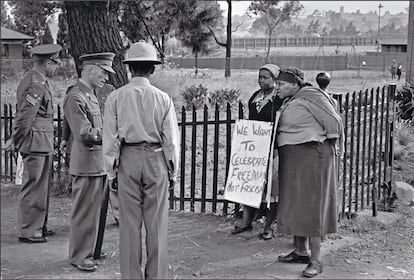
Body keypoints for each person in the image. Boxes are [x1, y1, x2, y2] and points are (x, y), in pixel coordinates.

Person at [102, 41, 180, 279]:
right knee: (156, 223)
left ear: (129, 69)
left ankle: (131, 276)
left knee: (129, 224)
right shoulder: (163, 98)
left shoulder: (115, 98)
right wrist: (172, 171)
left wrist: (111, 172)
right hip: (156, 159)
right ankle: (156, 275)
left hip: (128, 158)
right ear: (152, 69)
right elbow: (171, 140)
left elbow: (110, 139)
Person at [276, 68, 343, 278]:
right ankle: (300, 251)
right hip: (294, 156)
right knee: (297, 203)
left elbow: (334, 123)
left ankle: (316, 260)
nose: (277, 87)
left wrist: (327, 142)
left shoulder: (312, 96)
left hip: (312, 156)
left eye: (281, 84)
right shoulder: (292, 99)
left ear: (294, 84)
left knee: (312, 205)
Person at [63, 52, 115, 272]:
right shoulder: (75, 97)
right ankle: (79, 255)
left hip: (97, 163)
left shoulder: (90, 94)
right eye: (104, 72)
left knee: (96, 213)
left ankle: (91, 249)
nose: (106, 77)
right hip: (86, 164)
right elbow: (84, 134)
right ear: (90, 68)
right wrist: (111, 133)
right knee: (84, 213)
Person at [10, 44, 62, 243]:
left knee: (41, 188)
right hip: (34, 142)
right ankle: (29, 230)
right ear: (48, 62)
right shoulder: (35, 83)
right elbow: (25, 117)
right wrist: (17, 140)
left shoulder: (40, 81)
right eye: (55, 63)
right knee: (33, 187)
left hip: (42, 142)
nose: (56, 67)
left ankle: (38, 226)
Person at [231, 64, 283, 240]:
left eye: (266, 77)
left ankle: (268, 226)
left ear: (275, 79)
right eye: (260, 77)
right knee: (250, 184)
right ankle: (246, 222)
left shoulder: (279, 99)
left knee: (272, 188)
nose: (261, 80)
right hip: (254, 149)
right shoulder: (255, 97)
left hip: (273, 147)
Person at [61, 83, 120, 225]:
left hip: (106, 145)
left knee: (112, 180)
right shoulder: (76, 93)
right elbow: (69, 120)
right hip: (93, 147)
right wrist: (64, 138)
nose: (105, 77)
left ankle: (119, 215)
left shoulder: (111, 91)